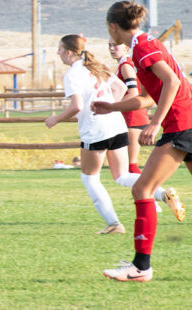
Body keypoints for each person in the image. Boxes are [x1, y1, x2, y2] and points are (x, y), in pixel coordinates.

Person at [92, 1, 190, 282]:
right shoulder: (145, 43)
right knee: (143, 188)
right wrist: (112, 107)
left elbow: (171, 82)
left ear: (113, 27)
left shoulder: (142, 47)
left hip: (181, 124)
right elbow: (146, 97)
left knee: (143, 189)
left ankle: (140, 267)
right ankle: (140, 266)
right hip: (185, 120)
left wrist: (155, 123)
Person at [45, 34, 179, 236]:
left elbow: (77, 106)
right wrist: (110, 108)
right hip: (116, 125)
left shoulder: (73, 74)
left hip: (96, 130)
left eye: (60, 49)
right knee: (122, 175)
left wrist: (57, 118)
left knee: (90, 178)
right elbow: (121, 87)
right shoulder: (96, 66)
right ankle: (162, 193)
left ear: (70, 52)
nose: (58, 53)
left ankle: (114, 223)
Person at [108, 37, 150, 174]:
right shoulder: (124, 64)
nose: (111, 48)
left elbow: (133, 93)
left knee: (131, 166)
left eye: (115, 45)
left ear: (126, 47)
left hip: (133, 117)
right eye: (109, 45)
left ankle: (162, 194)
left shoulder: (125, 65)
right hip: (132, 115)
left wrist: (113, 107)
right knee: (128, 167)